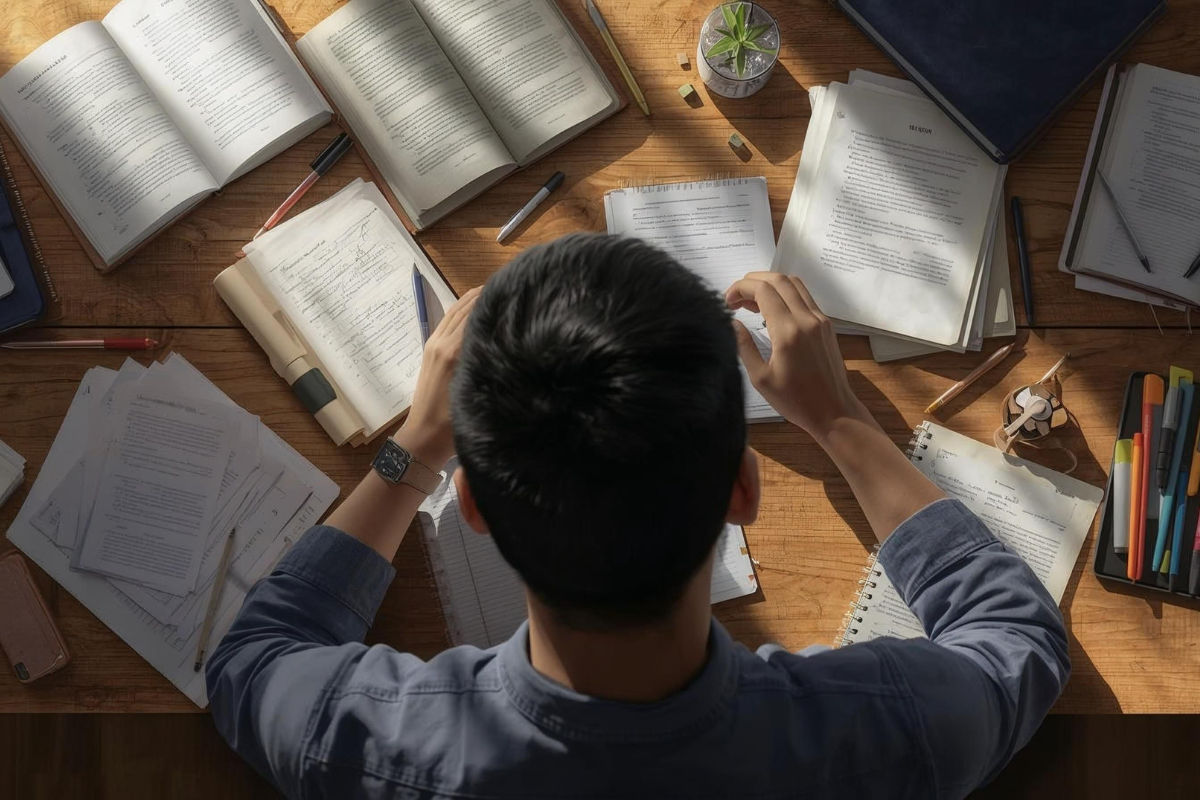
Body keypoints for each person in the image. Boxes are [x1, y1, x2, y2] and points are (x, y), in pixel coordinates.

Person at [207, 234, 1069, 799]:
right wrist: (840, 420)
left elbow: (252, 661)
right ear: (744, 491)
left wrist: (417, 448)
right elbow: (1015, 638)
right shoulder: (874, 734)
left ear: (472, 506)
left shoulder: (375, 742)